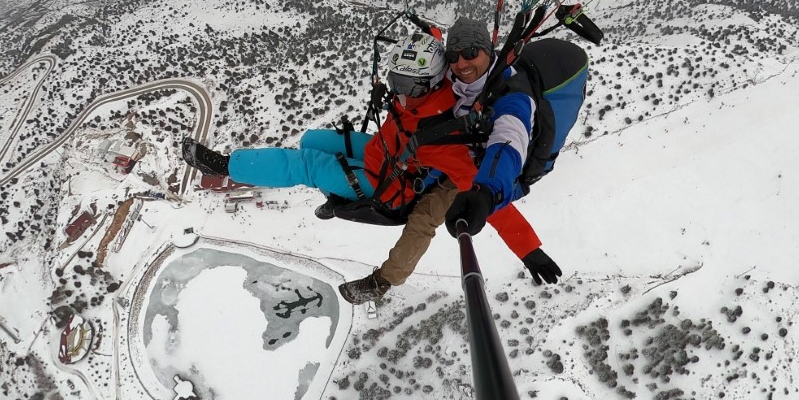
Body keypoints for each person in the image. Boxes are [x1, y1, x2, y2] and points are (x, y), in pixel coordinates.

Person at [181, 29, 556, 304]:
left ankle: (227, 165)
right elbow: (435, 50)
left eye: (407, 84)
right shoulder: (433, 87)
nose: (399, 91)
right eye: (397, 81)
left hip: (383, 182)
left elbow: (487, 197)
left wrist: (528, 249)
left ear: (427, 84)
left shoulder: (446, 138)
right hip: (384, 149)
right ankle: (335, 196)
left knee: (305, 163)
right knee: (312, 139)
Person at [439, 19, 589, 261]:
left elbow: (508, 140)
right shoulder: (464, 80)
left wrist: (487, 193)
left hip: (502, 174)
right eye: (453, 56)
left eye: (469, 53)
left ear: (487, 51)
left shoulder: (513, 97)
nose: (461, 63)